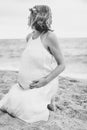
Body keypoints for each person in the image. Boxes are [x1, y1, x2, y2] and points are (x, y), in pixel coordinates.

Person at [0, 5, 65, 123]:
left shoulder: (50, 37)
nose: (28, 18)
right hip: (24, 86)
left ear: (38, 17)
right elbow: (30, 62)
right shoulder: (29, 37)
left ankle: (50, 99)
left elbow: (62, 65)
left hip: (44, 83)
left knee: (27, 112)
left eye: (31, 15)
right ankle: (46, 100)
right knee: (8, 105)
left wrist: (45, 81)